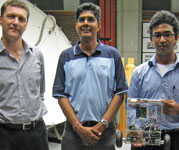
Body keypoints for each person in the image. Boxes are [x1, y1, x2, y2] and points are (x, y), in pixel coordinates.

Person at [52, 2, 128, 150]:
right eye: (82, 20)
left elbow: (119, 92)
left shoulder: (112, 55)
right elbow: (61, 94)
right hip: (74, 132)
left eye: (90, 19)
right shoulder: (66, 56)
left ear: (99, 26)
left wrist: (102, 124)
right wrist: (78, 127)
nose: (85, 23)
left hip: (104, 132)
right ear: (76, 25)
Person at [0, 0, 49, 150]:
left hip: (36, 134)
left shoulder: (37, 56)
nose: (16, 22)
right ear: (1, 20)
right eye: (11, 16)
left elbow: (40, 92)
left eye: (21, 19)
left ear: (26, 25)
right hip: (4, 136)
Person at [128, 10, 179, 150]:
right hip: (146, 138)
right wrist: (136, 128)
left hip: (176, 138)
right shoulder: (139, 72)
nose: (162, 39)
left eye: (167, 34)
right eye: (157, 35)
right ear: (151, 40)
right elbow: (133, 106)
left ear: (176, 38)